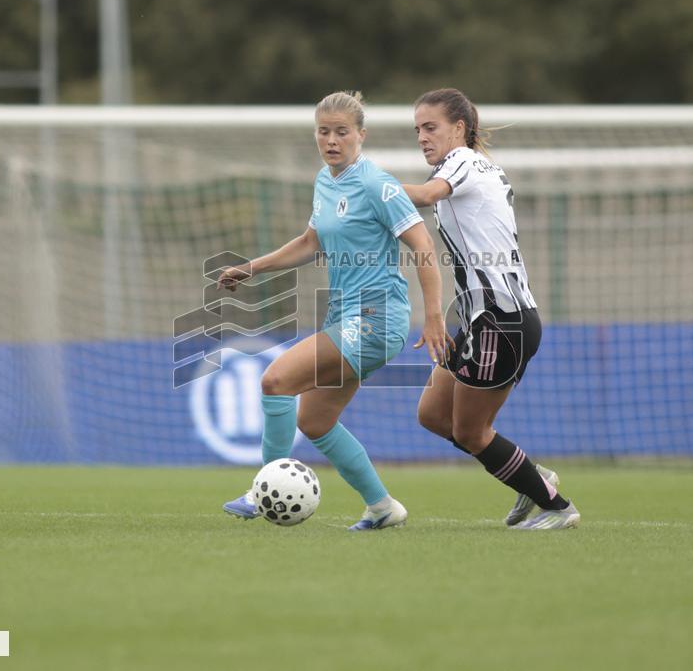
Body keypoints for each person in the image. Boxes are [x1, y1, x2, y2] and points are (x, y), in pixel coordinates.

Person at [218, 90, 450, 531]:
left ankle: (262, 487)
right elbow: (310, 242)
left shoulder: (377, 184)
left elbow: (423, 245)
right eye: (324, 132)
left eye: (342, 132)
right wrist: (252, 268)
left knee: (276, 379)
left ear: (361, 135)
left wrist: (434, 314)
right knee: (316, 419)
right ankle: (382, 507)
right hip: (344, 317)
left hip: (377, 319)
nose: (332, 140)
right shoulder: (325, 182)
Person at [401, 88, 580, 530]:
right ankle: (531, 476)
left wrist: (364, 185)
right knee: (433, 415)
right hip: (484, 319)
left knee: (470, 432)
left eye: (431, 127)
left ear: (459, 128)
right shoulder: (476, 168)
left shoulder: (461, 161)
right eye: (417, 130)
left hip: (503, 321)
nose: (422, 137)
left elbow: (423, 196)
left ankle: (559, 508)